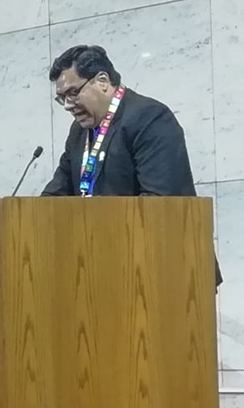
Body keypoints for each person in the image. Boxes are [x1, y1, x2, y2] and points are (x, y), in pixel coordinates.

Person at [42, 44, 220, 286]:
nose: (68, 105)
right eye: (61, 98)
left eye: (73, 93)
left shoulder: (150, 117)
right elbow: (56, 195)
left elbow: (160, 204)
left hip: (169, 271)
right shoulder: (79, 132)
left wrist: (95, 232)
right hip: (108, 269)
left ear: (102, 80)